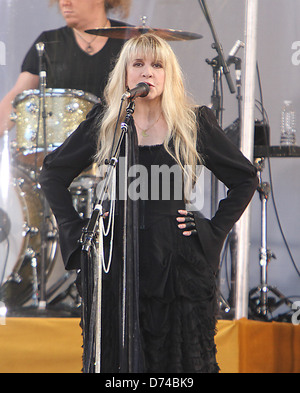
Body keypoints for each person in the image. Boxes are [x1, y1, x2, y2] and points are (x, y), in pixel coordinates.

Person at [39, 33, 259, 373]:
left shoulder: (193, 121)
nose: (148, 73)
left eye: (157, 65)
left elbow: (245, 178)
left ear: (168, 74)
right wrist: (78, 232)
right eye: (138, 64)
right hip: (116, 263)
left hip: (177, 266)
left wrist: (211, 230)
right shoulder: (108, 121)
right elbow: (53, 173)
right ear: (125, 75)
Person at [0, 0, 132, 136]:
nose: (64, 3)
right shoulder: (48, 42)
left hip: (115, 143)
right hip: (62, 150)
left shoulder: (131, 40)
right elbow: (18, 97)